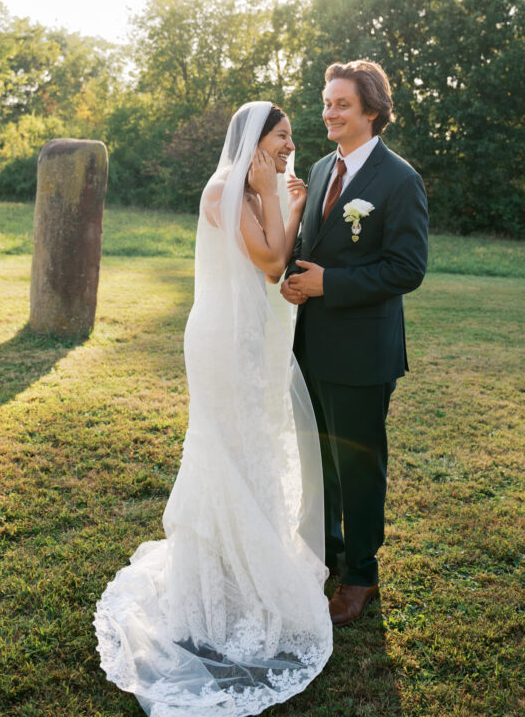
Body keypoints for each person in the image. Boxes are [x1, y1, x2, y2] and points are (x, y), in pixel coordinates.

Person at [95, 103, 332, 717]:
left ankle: (244, 570)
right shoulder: (227, 188)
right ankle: (216, 588)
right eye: (282, 137)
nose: (290, 148)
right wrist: (283, 201)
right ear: (255, 139)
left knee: (253, 445)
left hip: (248, 340)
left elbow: (272, 259)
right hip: (223, 343)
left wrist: (283, 198)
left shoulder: (257, 188)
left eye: (291, 139)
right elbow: (271, 261)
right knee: (226, 449)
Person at [281, 60, 428, 628]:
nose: (328, 113)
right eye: (326, 102)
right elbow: (313, 245)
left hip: (363, 352)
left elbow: (407, 269)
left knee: (359, 464)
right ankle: (327, 552)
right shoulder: (320, 169)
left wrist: (330, 285)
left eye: (341, 104)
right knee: (320, 460)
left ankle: (361, 575)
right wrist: (294, 279)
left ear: (372, 110)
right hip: (311, 345)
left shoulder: (399, 180)